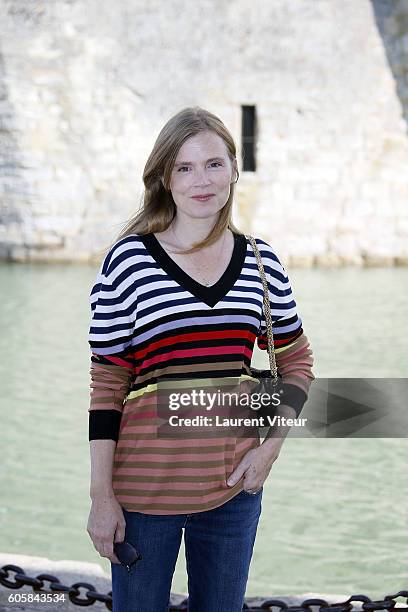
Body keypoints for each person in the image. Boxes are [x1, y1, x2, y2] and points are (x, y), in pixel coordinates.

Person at [86, 106, 315, 612]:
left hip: (234, 491)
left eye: (214, 164)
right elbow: (107, 388)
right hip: (143, 498)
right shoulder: (128, 261)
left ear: (235, 168)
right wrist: (101, 496)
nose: (201, 181)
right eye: (184, 168)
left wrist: (269, 450)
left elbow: (297, 365)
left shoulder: (262, 260)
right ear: (165, 179)